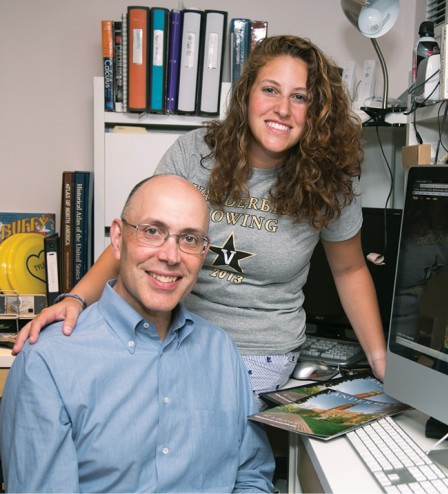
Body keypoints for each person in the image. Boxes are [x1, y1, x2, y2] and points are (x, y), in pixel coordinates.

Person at [14, 35, 387, 408]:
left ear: (317, 109)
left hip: (257, 350)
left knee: (189, 418)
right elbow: (139, 239)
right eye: (270, 90)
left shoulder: (330, 180)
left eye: (300, 97)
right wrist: (77, 298)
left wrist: (379, 358)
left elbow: (350, 270)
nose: (283, 109)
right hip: (169, 329)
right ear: (246, 94)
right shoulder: (194, 153)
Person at [0, 175, 275, 493]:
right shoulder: (47, 362)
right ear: (118, 238)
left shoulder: (220, 351)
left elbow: (252, 474)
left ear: (203, 252)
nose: (170, 256)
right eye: (152, 231)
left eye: (189, 239)